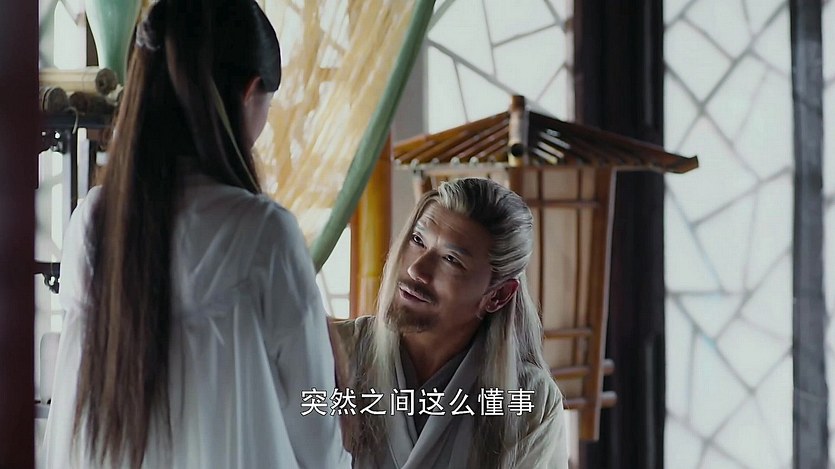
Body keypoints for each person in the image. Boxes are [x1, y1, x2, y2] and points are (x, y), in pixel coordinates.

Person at [42, 0, 350, 467]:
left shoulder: (93, 221)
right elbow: (316, 436)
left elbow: (71, 415)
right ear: (249, 92)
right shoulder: (263, 232)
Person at [334, 177, 569, 468]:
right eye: (417, 241)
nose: (417, 269)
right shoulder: (335, 353)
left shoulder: (530, 402)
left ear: (497, 296)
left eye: (451, 259)